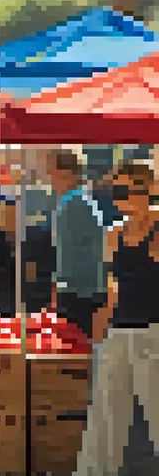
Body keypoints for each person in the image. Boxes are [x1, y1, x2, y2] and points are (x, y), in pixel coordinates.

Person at [75, 161, 159, 475]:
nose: (124, 198)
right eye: (118, 191)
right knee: (107, 412)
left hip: (154, 331)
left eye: (132, 190)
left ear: (150, 190)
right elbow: (114, 286)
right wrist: (101, 325)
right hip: (120, 331)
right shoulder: (113, 234)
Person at [50, 151, 107, 340]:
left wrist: (58, 286)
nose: (50, 179)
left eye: (52, 172)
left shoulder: (72, 203)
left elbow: (68, 253)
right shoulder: (80, 200)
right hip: (83, 288)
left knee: (75, 346)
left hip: (78, 290)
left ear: (64, 173)